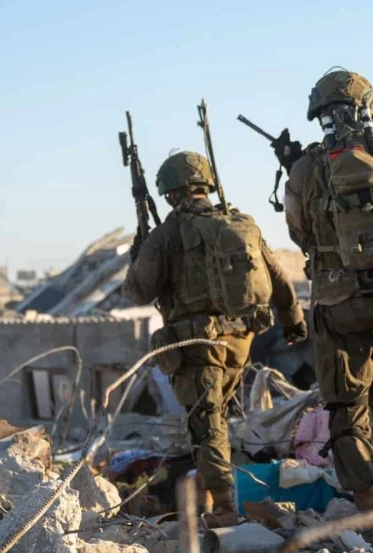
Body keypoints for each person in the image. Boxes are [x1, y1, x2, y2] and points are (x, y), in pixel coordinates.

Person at [123, 151, 308, 526]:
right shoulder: (239, 224)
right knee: (218, 419)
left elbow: (138, 292)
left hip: (198, 345)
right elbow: (277, 277)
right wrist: (293, 321)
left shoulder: (167, 235)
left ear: (170, 194)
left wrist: (138, 253)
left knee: (206, 426)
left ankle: (224, 510)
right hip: (239, 340)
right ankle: (211, 503)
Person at [280, 69, 373, 533]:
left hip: (337, 301)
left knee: (346, 407)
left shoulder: (306, 169)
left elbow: (299, 234)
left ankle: (370, 515)